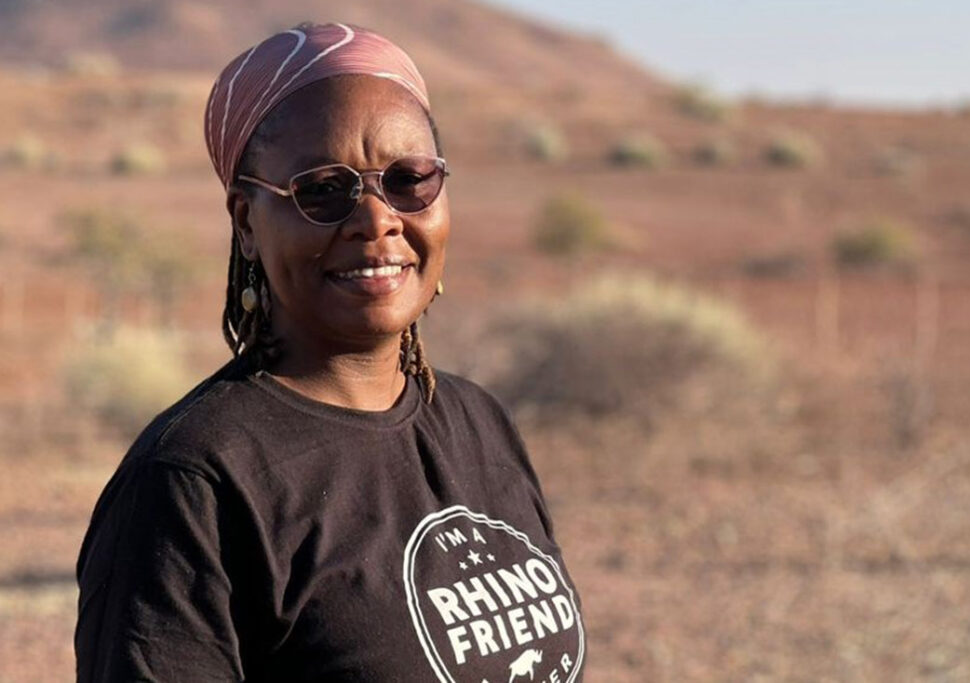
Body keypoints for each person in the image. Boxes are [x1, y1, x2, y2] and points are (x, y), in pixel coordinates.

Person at [74, 22, 586, 683]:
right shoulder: (195, 480)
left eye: (409, 180)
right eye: (322, 188)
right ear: (246, 221)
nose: (377, 220)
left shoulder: (477, 421)